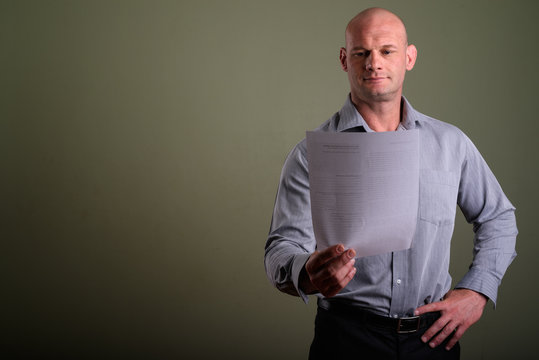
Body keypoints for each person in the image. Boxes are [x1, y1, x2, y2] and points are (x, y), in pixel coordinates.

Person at [264, 7, 517, 360]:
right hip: (345, 339)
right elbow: (281, 248)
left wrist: (477, 292)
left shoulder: (451, 143)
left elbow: (498, 217)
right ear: (344, 59)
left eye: (386, 51)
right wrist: (307, 274)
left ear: (409, 57)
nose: (373, 63)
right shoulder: (310, 154)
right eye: (361, 52)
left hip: (433, 340)